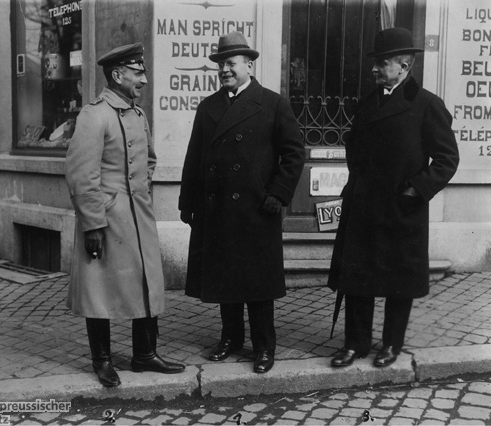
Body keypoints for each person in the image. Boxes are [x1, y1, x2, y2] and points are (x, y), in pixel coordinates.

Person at [327, 28, 459, 368]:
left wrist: (415, 189)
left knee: (398, 282)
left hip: (402, 209)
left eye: (382, 62)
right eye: (375, 62)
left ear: (405, 64)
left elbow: (447, 159)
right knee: (358, 278)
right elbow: (353, 145)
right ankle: (355, 344)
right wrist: (357, 182)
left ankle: (391, 345)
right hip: (364, 207)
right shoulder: (368, 101)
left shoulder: (427, 104)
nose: (374, 69)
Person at [179, 32, 305, 374]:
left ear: (249, 65)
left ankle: (265, 346)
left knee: (257, 284)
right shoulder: (209, 107)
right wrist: (187, 202)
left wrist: (277, 194)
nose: (224, 70)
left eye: (231, 64)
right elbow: (195, 157)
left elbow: (294, 154)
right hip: (216, 209)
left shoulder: (273, 103)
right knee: (224, 277)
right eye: (221, 64)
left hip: (256, 208)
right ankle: (231, 338)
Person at [65, 42, 185, 387]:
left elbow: (148, 160)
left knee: (147, 280)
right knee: (98, 287)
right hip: (104, 218)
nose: (144, 80)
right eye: (138, 73)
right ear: (117, 75)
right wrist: (92, 224)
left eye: (143, 72)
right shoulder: (94, 115)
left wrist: (139, 192)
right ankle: (101, 360)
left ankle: (144, 355)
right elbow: (81, 174)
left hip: (138, 216)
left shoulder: (137, 114)